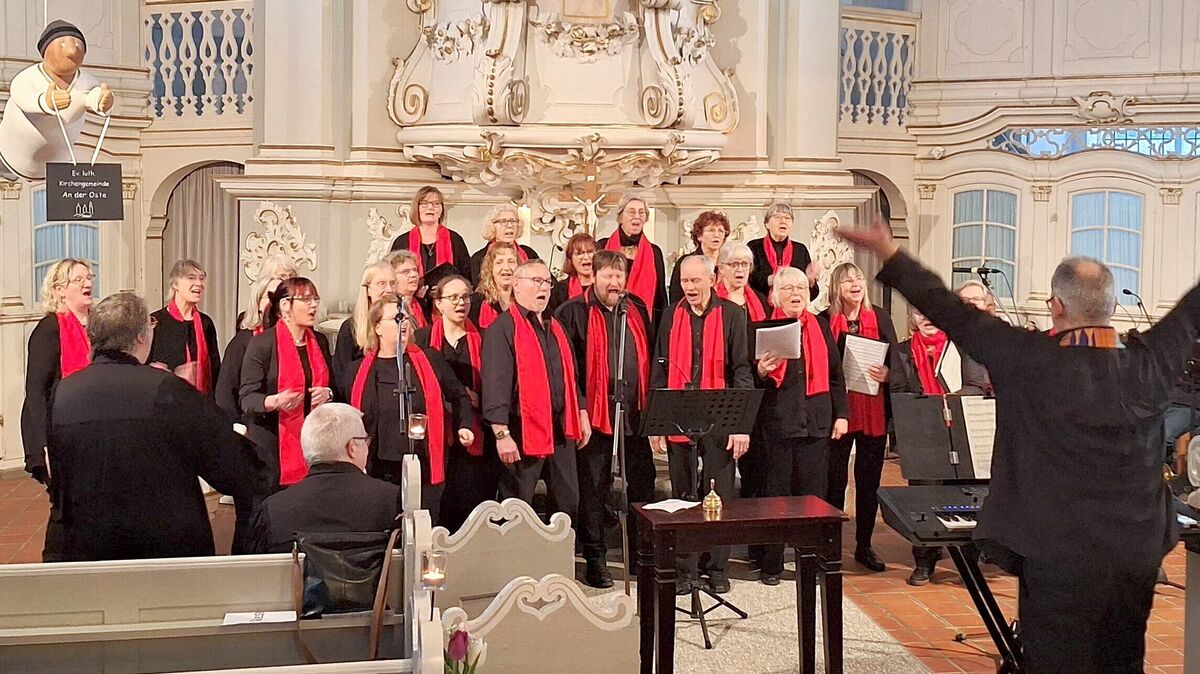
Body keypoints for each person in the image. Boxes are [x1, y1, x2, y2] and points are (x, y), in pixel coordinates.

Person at [840, 218, 1200, 673]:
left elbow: (950, 309)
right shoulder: (1150, 363)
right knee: (1123, 660)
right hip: (1134, 550)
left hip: (1054, 550)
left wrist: (890, 252)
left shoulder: (1026, 357)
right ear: (1111, 306)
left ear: (1055, 305)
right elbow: (1192, 309)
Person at [47, 292, 257, 561]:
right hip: (163, 549)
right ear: (140, 337)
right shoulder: (167, 390)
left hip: (84, 549)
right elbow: (230, 466)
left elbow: (60, 480)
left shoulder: (64, 393)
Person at [649, 255, 753, 595]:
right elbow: (660, 370)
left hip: (720, 415)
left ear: (712, 279)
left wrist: (740, 425)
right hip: (680, 413)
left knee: (718, 495)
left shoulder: (733, 315)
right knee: (682, 495)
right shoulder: (670, 315)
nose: (690, 288)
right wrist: (657, 424)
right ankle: (685, 568)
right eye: (684, 281)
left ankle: (717, 567)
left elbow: (741, 371)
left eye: (696, 281)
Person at [556, 250, 655, 589]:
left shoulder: (637, 308)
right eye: (608, 276)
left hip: (635, 414)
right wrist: (582, 408)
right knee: (594, 490)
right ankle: (596, 558)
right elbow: (568, 370)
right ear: (593, 276)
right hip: (594, 418)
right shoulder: (572, 312)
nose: (614, 283)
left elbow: (651, 357)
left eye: (619, 275)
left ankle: (641, 556)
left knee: (642, 485)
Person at [748, 267, 848, 586]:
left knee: (814, 498)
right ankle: (772, 563)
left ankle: (812, 561)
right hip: (777, 424)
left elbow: (835, 376)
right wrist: (761, 371)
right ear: (775, 294)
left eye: (802, 288)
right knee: (775, 496)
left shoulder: (820, 326)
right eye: (788, 287)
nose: (796, 293)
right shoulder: (763, 328)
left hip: (816, 424)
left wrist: (841, 415)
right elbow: (750, 381)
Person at [347, 298, 475, 526]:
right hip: (380, 467)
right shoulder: (358, 370)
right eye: (396, 319)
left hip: (424, 463)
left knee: (423, 529)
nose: (403, 323)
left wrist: (464, 425)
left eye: (405, 317)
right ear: (377, 327)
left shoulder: (430, 359)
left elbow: (459, 396)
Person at [482, 260, 592, 521]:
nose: (544, 288)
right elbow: (495, 382)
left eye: (547, 282)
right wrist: (501, 433)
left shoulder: (555, 326)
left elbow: (570, 376)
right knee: (516, 508)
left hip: (561, 428)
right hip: (521, 432)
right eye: (536, 281)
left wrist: (582, 410)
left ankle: (559, 561)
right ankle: (514, 562)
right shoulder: (503, 328)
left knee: (567, 503)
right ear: (517, 286)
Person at [246, 403, 401, 554]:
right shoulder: (394, 502)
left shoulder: (271, 511)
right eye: (365, 441)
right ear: (352, 447)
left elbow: (255, 574)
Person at [823, 261, 897, 573]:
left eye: (859, 278)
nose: (855, 284)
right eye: (847, 280)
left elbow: (896, 360)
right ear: (836, 288)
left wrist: (887, 373)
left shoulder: (879, 316)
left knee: (869, 483)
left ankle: (864, 545)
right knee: (834, 482)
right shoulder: (825, 320)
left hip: (873, 410)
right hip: (839, 411)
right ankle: (829, 547)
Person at [20, 258, 94, 561]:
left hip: (90, 428)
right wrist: (43, 446)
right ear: (60, 290)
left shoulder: (97, 324)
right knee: (66, 507)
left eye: (89, 277)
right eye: (79, 280)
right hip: (57, 432)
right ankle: (55, 565)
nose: (88, 283)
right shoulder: (49, 329)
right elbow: (35, 391)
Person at [415, 275, 497, 532]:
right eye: (453, 298)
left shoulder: (484, 338)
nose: (461, 303)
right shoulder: (422, 338)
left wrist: (480, 397)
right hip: (436, 433)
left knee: (470, 500)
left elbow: (498, 381)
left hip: (473, 430)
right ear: (438, 303)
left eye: (465, 297)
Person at [240, 277, 334, 490]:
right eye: (306, 299)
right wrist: (275, 401)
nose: (314, 305)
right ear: (285, 306)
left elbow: (335, 387)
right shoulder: (262, 344)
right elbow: (247, 398)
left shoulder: (320, 341)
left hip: (314, 442)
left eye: (315, 299)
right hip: (270, 446)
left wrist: (327, 393)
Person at [0, 21, 115, 181]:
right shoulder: (29, 77)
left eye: (76, 43)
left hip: (56, 163)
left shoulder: (85, 81)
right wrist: (45, 102)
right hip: (12, 154)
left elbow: (94, 94)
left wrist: (103, 101)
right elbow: (21, 95)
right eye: (62, 43)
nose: (72, 49)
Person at [217, 266, 295, 423]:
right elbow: (225, 393)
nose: (277, 303)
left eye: (282, 298)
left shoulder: (297, 340)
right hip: (251, 424)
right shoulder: (242, 342)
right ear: (258, 302)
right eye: (270, 297)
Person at [149, 259, 221, 397]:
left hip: (201, 404)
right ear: (175, 284)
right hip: (166, 403)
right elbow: (147, 369)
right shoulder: (156, 322)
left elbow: (215, 369)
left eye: (201, 279)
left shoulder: (206, 323)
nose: (199, 283)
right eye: (191, 278)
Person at [333, 261, 397, 398]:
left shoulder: (403, 322)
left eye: (393, 283)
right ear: (368, 289)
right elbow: (341, 377)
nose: (389, 289)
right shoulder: (351, 328)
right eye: (382, 284)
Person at [599, 195, 667, 326]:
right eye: (631, 212)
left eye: (642, 212)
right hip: (606, 320)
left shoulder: (654, 252)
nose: (637, 216)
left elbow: (661, 297)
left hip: (643, 322)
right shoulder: (603, 246)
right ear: (620, 217)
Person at [389, 185, 471, 281]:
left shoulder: (455, 239)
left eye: (436, 204)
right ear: (417, 209)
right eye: (424, 203)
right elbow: (392, 275)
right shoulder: (402, 242)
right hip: (412, 295)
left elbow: (467, 276)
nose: (431, 207)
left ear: (441, 210)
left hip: (447, 294)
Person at [748, 202, 819, 304]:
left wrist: (809, 281)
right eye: (778, 217)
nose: (783, 221)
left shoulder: (800, 249)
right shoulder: (754, 246)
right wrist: (775, 279)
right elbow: (750, 281)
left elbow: (812, 294)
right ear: (766, 224)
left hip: (792, 309)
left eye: (787, 218)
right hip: (762, 307)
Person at [668, 211, 729, 304]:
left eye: (720, 231)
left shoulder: (728, 264)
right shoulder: (686, 262)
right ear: (699, 236)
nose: (717, 235)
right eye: (711, 230)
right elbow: (676, 297)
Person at [469, 205, 539, 283]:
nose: (510, 225)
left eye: (513, 221)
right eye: (503, 221)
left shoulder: (529, 253)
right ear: (492, 226)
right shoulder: (478, 258)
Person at [954, 280, 997, 396]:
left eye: (976, 299)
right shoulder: (951, 341)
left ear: (986, 305)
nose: (971, 304)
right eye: (965, 300)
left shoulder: (999, 338)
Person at [715, 241, 768, 323]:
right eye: (734, 264)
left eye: (745, 264)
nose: (740, 270)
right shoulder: (711, 299)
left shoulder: (761, 299)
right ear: (721, 268)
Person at [470, 241, 519, 329]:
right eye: (499, 262)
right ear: (490, 268)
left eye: (511, 261)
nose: (506, 268)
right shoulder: (476, 302)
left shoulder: (526, 301)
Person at [546, 233, 596, 315]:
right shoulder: (559, 291)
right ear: (570, 258)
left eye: (590, 252)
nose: (586, 257)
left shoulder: (604, 287)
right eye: (580, 253)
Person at [387, 250, 430, 329]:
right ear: (392, 277)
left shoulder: (423, 305)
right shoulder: (389, 307)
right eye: (406, 272)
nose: (413, 275)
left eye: (415, 270)